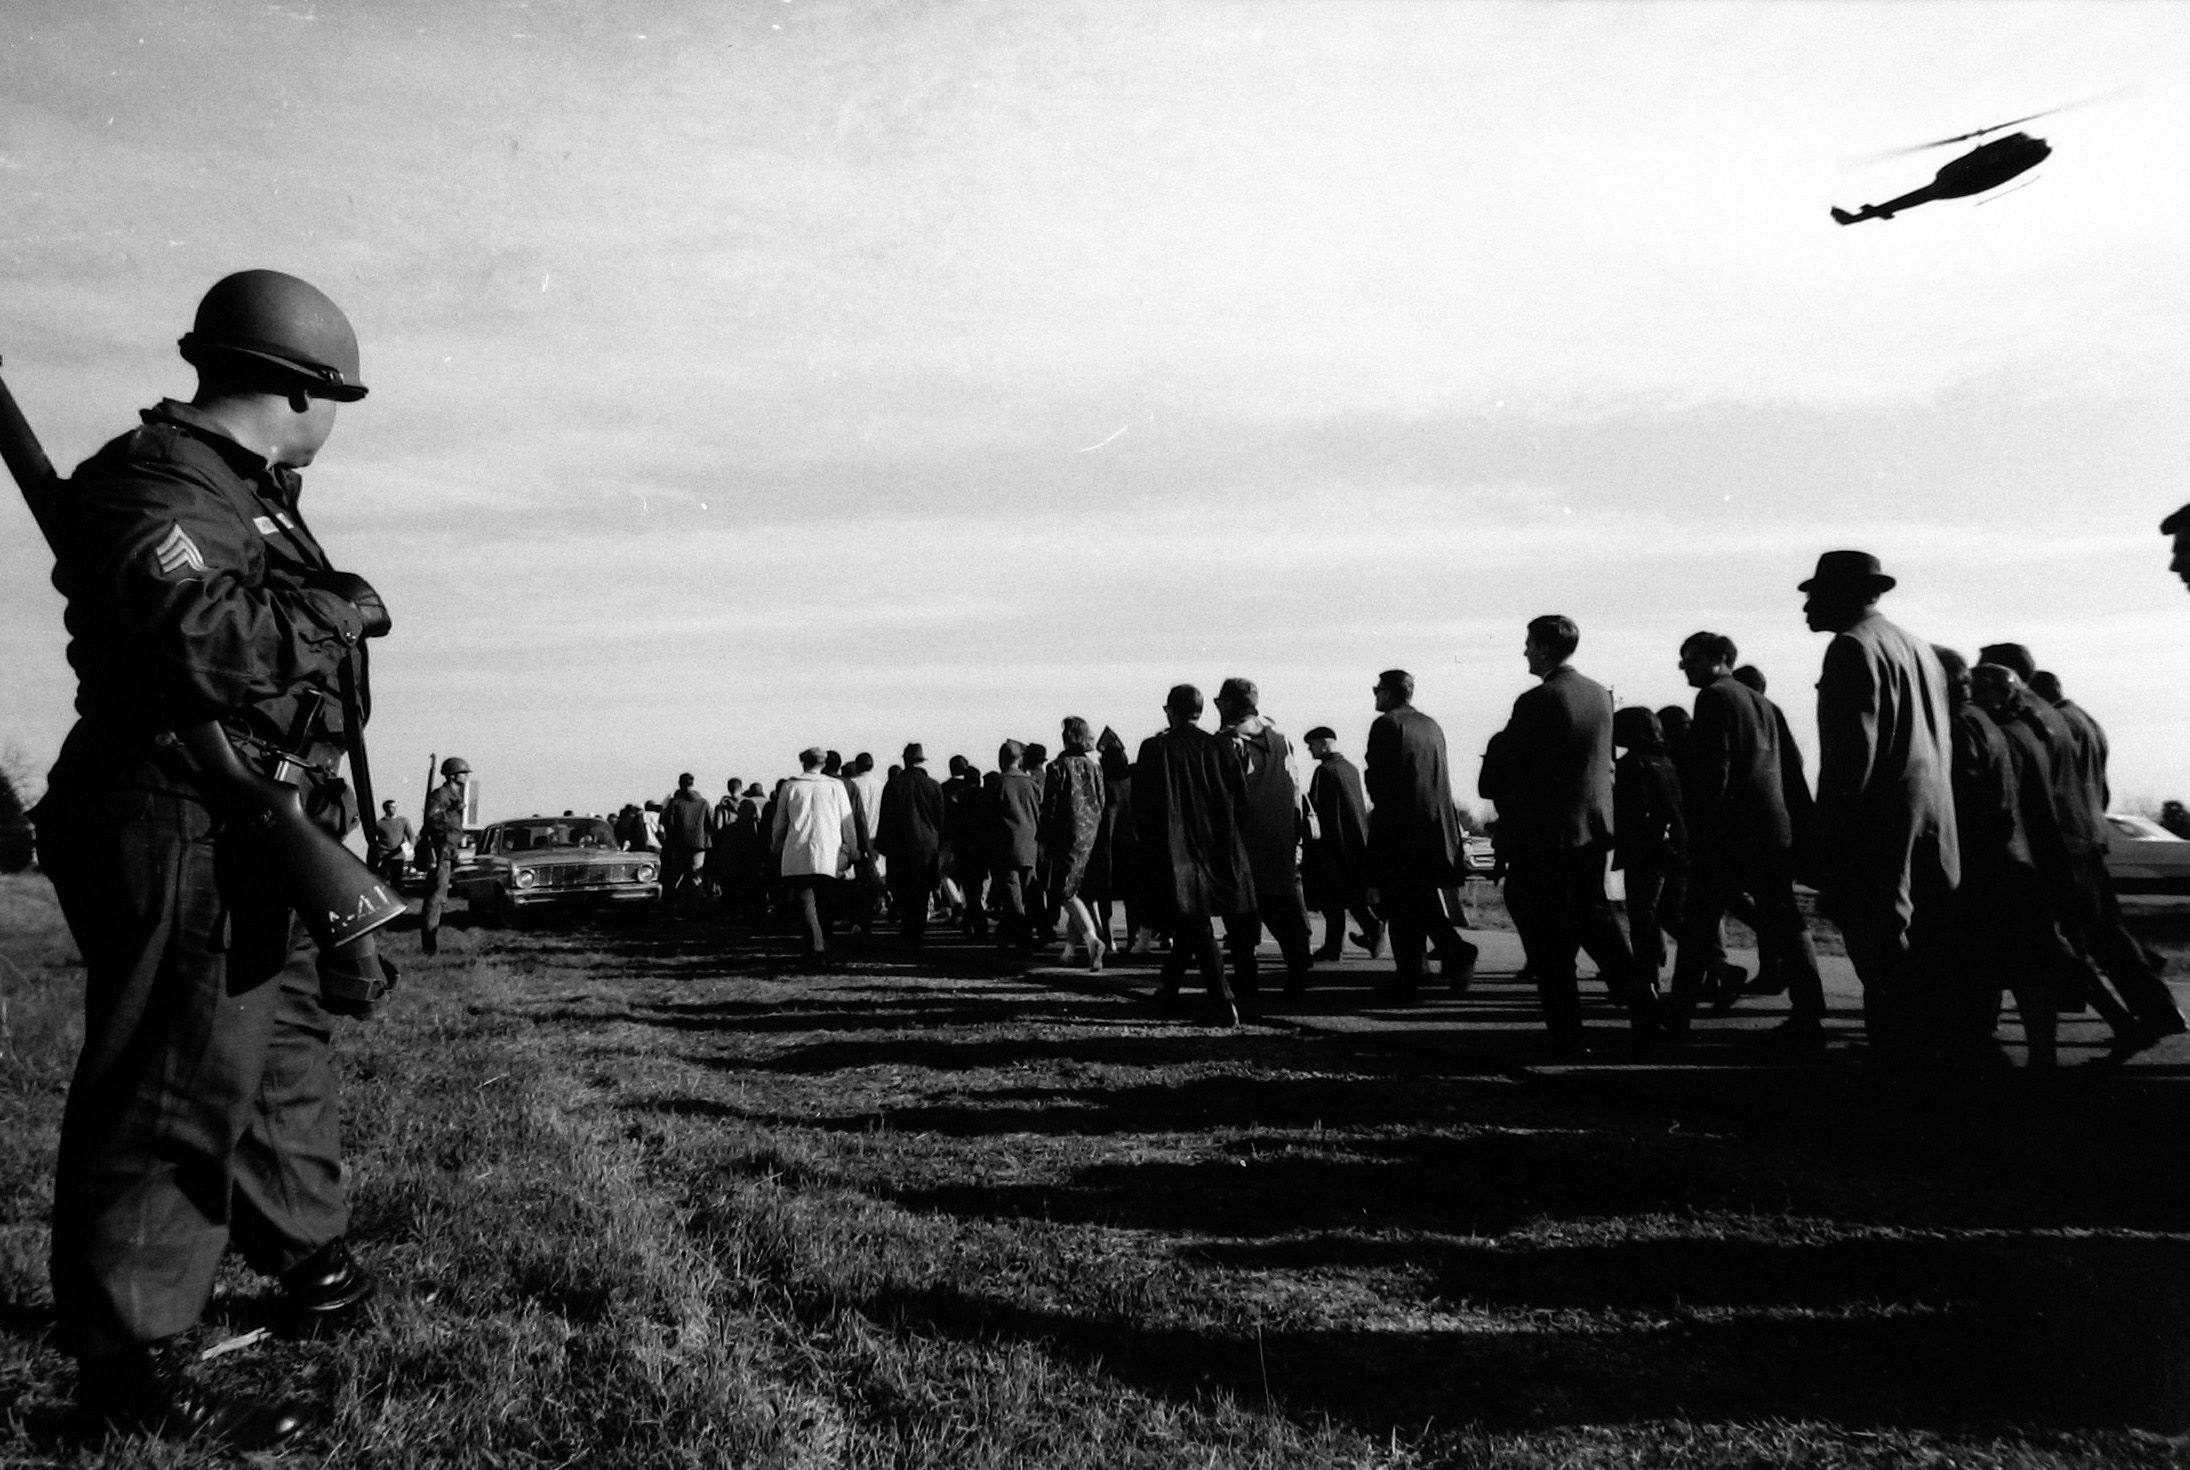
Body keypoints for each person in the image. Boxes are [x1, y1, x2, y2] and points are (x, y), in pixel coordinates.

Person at [26, 269, 384, 1445]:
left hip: (243, 810)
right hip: (172, 802)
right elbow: (204, 636)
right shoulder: (158, 478)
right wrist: (342, 610)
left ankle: (308, 1259)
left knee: (276, 1045)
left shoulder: (236, 488)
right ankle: (130, 1360)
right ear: (300, 390)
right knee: (176, 1072)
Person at [1973, 657, 2183, 1051]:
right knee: (2100, 935)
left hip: (2054, 843)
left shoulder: (2033, 726)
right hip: (2084, 836)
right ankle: (2155, 1010)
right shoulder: (2076, 721)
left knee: (2058, 941)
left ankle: (2133, 1014)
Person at [1803, 551, 1958, 1067]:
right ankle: (1930, 1063)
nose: (1806, 602)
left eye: (1815, 592)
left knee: (1882, 957)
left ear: (1842, 595)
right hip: (1933, 820)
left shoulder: (1851, 647)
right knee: (1926, 955)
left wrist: (1828, 842)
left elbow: (1850, 760)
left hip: (1878, 827)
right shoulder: (1919, 647)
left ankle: (1902, 1071)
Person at [1480, 618, 1656, 1050]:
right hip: (1590, 828)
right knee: (1593, 915)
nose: (1524, 652)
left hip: (1545, 831)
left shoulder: (1538, 699)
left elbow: (1505, 770)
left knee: (1547, 933)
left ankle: (1567, 1031)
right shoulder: (1599, 695)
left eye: (1528, 645)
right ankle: (1639, 994)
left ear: (1542, 649)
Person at [1663, 632, 1826, 1045]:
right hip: (1772, 831)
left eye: (1693, 658)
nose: (1685, 666)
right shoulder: (1765, 704)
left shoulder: (1714, 698)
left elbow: (1713, 770)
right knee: (1787, 920)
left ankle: (1678, 1017)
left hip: (1728, 834)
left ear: (1722, 658)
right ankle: (1810, 1011)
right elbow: (1792, 768)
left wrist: (1697, 829)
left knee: (1698, 923)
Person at [1937, 650, 2068, 1069]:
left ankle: (1981, 1056)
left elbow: (1970, 798)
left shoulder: (1968, 726)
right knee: (2027, 965)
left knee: (1985, 966)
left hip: (1991, 864)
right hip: (2019, 861)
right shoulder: (2016, 730)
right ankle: (2039, 1057)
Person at [1133, 684, 1257, 1024]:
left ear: (1170, 711)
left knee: (1194, 919)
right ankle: (1169, 986)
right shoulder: (1221, 747)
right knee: (1193, 920)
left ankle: (1222, 999)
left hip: (1177, 850)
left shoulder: (1155, 748)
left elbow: (1142, 806)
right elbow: (1241, 800)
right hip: (1218, 846)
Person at [1365, 670, 1477, 1003]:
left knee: (1401, 906)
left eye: (1377, 689)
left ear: (1388, 692)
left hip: (1401, 827)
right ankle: (1439, 959)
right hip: (1435, 826)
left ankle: (1420, 971)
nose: (1375, 695)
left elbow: (1379, 782)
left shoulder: (1386, 725)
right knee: (1420, 900)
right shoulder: (1431, 725)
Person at [1214, 678, 1315, 1001]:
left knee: (1242, 922)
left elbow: (1220, 797)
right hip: (1281, 839)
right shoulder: (1281, 739)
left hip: (1242, 842)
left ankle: (1247, 990)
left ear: (1227, 704)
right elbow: (1296, 789)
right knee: (1284, 911)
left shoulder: (1227, 742)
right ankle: (1298, 971)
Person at [1610, 707, 1684, 988]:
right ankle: (1714, 963)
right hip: (1672, 849)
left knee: (1642, 918)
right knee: (1666, 914)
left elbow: (1635, 810)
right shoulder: (1665, 763)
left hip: (1644, 851)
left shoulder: (1632, 765)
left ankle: (1647, 979)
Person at [1303, 726, 1382, 962]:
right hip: (1356, 841)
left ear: (1325, 743)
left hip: (1333, 843)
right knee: (1352, 895)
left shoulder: (1324, 771)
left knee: (1332, 899)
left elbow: (1315, 808)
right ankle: (1371, 929)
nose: (1310, 749)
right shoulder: (1351, 769)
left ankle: (1334, 946)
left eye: (1313, 744)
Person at [771, 747, 856, 965]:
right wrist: (851, 848)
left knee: (806, 901)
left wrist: (777, 845)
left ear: (804, 763)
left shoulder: (791, 786)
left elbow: (780, 823)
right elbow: (847, 821)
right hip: (829, 852)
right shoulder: (836, 786)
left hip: (798, 851)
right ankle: (823, 941)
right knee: (825, 899)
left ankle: (815, 946)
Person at [1040, 718, 1108, 969]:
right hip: (1092, 835)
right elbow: (1101, 802)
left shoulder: (1057, 767)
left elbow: (1051, 808)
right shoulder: (1094, 768)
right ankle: (1070, 951)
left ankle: (1092, 940)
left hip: (1066, 837)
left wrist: (1044, 840)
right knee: (1079, 894)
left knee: (1064, 892)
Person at [875, 743, 946, 944]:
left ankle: (907, 930)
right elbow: (941, 820)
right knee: (922, 891)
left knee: (904, 890)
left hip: (901, 846)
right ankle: (918, 932)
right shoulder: (933, 786)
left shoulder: (894, 785)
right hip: (927, 846)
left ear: (905, 760)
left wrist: (883, 847)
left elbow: (886, 819)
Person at [1085, 727, 1138, 952]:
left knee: (1104, 894)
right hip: (1132, 844)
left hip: (1107, 844)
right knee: (1131, 896)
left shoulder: (1102, 784)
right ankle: (1132, 937)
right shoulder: (1132, 782)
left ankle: (1109, 938)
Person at [990, 741, 1042, 950]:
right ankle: (1015, 932)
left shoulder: (998, 783)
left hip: (1006, 845)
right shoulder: (1032, 783)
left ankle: (1022, 935)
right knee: (1030, 891)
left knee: (1013, 895)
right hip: (1030, 843)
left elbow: (990, 817)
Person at [419, 755, 471, 956]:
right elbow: (432, 820)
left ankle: (430, 942)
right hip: (440, 849)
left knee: (441, 897)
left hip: (451, 849)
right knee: (435, 898)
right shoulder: (441, 795)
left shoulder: (454, 795)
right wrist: (452, 810)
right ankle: (429, 945)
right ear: (452, 775)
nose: (466, 777)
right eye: (463, 773)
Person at [941, 756, 990, 937]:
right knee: (975, 887)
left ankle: (977, 921)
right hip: (982, 847)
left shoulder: (956, 794)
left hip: (963, 847)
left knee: (968, 888)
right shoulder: (985, 796)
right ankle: (969, 920)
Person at [658, 772, 713, 916]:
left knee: (675, 876)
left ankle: (670, 907)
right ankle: (694, 910)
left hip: (679, 844)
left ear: (680, 784)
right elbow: (710, 823)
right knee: (696, 878)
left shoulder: (675, 803)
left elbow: (668, 824)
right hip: (699, 844)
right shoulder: (704, 803)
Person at [368, 798, 414, 888]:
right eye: (391, 807)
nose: (393, 809)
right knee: (381, 879)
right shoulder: (379, 824)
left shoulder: (404, 821)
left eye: (395, 807)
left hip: (399, 856)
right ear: (385, 809)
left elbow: (411, 836)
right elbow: (373, 839)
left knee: (396, 881)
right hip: (386, 856)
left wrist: (409, 847)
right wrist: (379, 849)